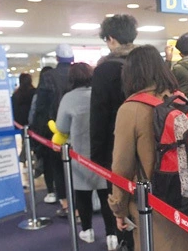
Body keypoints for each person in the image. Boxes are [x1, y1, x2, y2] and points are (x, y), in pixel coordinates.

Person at [109, 45, 188, 251]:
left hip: (154, 205)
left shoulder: (131, 109)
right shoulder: (180, 99)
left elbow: (121, 166)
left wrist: (119, 209)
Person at [54, 63, 118, 250]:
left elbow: (62, 127)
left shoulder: (68, 98)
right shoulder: (101, 92)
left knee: (82, 195)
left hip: (80, 154)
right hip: (104, 154)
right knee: (107, 194)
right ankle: (112, 235)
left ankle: (88, 230)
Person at [90, 14, 138, 250]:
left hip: (117, 149)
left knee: (122, 205)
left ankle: (127, 243)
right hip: (151, 148)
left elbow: (98, 117)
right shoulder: (149, 65)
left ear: (110, 39)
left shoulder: (105, 71)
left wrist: (97, 158)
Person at [31, 43, 73, 217]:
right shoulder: (81, 73)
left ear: (57, 58)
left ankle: (65, 203)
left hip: (54, 129)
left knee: (57, 166)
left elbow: (41, 106)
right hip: (77, 127)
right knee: (77, 167)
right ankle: (81, 205)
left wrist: (36, 132)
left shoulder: (49, 76)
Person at [12, 73, 37, 164]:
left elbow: (14, 109)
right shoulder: (34, 92)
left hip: (20, 123)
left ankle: (25, 158)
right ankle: (26, 157)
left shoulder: (16, 94)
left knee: (25, 140)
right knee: (32, 141)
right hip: (32, 121)